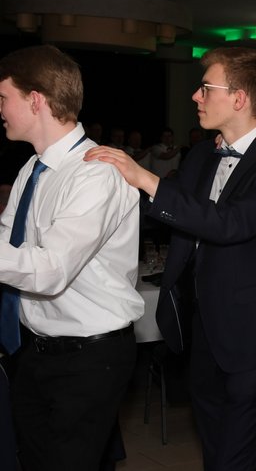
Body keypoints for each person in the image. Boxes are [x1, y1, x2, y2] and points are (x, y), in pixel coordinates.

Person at [86, 47, 256, 470]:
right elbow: (179, 217)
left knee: (236, 459)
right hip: (202, 328)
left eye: (206, 88)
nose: (195, 96)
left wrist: (144, 177)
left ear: (239, 98)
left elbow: (230, 224)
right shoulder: (205, 154)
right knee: (213, 451)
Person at [0, 45, 143, 470]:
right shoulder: (33, 169)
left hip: (89, 357)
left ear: (35, 100)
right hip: (35, 349)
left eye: (4, 98)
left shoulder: (95, 171)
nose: (0, 109)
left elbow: (50, 271)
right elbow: (9, 243)